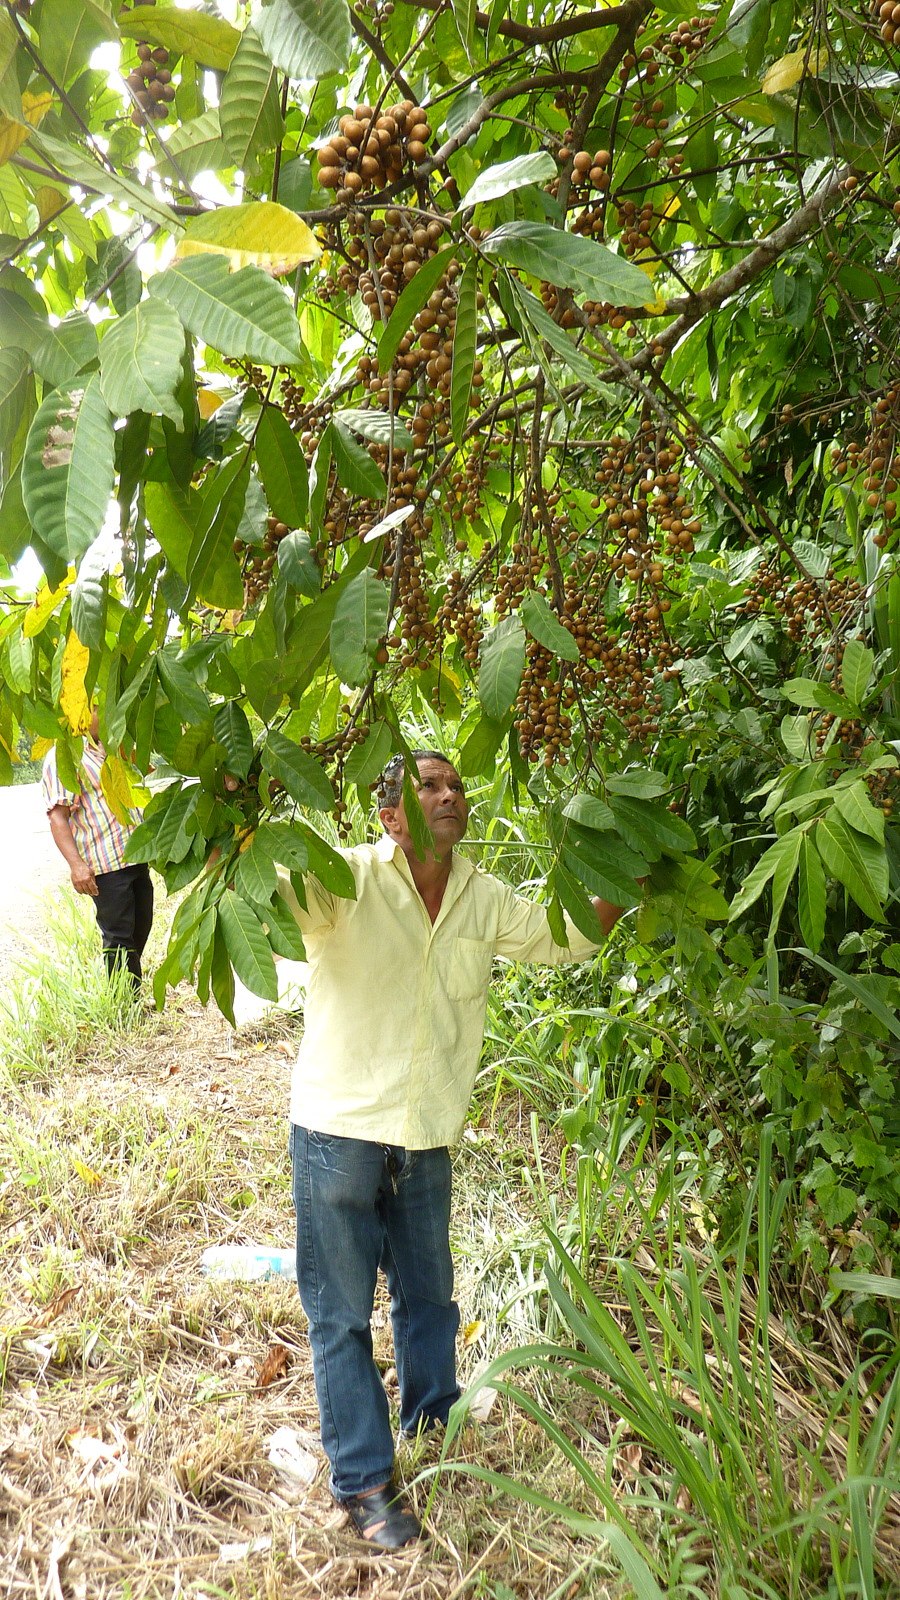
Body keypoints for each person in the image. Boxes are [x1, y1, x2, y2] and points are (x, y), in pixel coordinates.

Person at [278, 749, 629, 1551]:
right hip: (339, 1130)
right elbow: (266, 897)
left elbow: (566, 936)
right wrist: (237, 817)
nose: (449, 795)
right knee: (340, 1317)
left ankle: (434, 1422)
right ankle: (364, 1482)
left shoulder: (480, 894)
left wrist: (633, 868)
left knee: (431, 1298)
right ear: (390, 816)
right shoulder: (343, 880)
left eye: (456, 785)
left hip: (427, 1133)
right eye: (428, 786)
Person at [42, 712, 153, 988]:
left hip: (135, 855)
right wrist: (76, 865)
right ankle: (125, 1000)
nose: (104, 711)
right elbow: (58, 817)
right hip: (106, 866)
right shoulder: (64, 756)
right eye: (95, 706)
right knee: (119, 937)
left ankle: (126, 989)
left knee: (142, 924)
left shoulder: (114, 747)